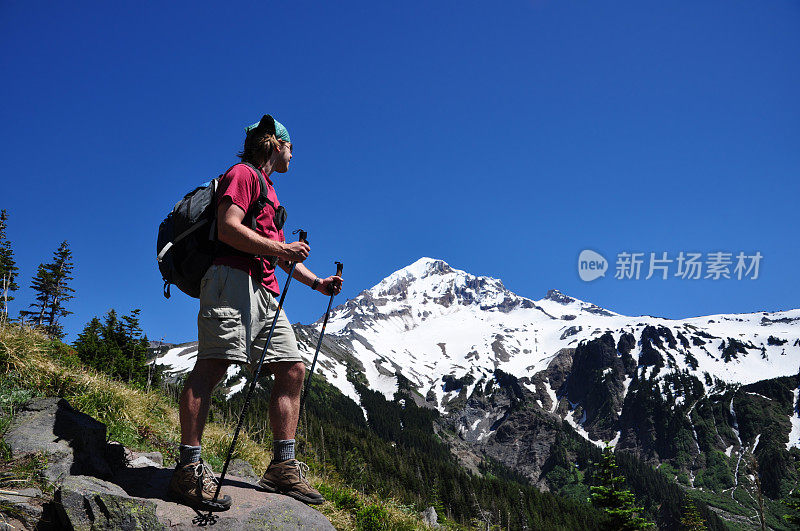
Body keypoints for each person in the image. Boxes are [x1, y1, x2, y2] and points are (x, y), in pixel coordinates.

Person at [168, 114, 343, 511]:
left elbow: (279, 254)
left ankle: (282, 467)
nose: (293, 155)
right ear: (274, 144)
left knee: (292, 368)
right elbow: (229, 228)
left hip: (264, 289)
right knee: (213, 365)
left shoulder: (270, 191)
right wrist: (281, 249)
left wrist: (317, 284)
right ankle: (187, 469)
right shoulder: (242, 174)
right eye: (290, 146)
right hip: (230, 279)